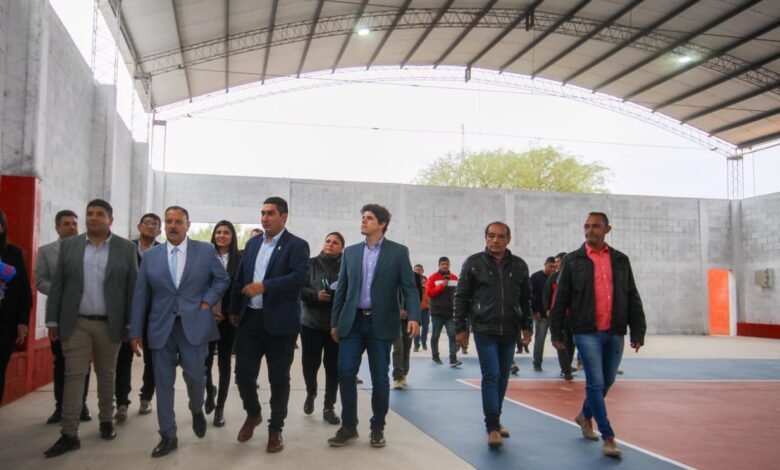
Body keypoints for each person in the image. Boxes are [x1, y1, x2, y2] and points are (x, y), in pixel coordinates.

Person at [129, 205, 230, 458]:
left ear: (188, 225)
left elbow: (222, 279)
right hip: (161, 327)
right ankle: (168, 435)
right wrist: (135, 330)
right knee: (163, 383)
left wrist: (207, 301)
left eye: (178, 221)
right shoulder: (152, 256)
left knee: (196, 377)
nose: (172, 226)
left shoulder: (204, 251)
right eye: (169, 221)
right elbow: (141, 294)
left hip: (194, 325)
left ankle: (196, 409)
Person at [44, 200, 137, 458]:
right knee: (74, 375)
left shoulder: (125, 248)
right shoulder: (70, 246)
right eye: (89, 213)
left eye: (99, 214)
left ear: (110, 219)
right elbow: (58, 285)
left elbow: (132, 288)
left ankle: (106, 420)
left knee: (106, 374)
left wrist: (131, 324)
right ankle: (69, 433)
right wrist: (52, 320)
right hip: (76, 323)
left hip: (110, 324)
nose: (93, 218)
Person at [550, 212, 646, 458]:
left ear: (607, 229)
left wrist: (638, 330)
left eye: (595, 226)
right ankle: (608, 436)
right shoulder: (572, 261)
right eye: (586, 226)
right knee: (595, 382)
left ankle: (585, 415)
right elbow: (561, 298)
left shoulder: (621, 260)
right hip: (586, 332)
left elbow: (631, 295)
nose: (589, 230)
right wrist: (556, 331)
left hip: (615, 331)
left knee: (608, 380)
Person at [327, 203, 420, 449]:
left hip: (381, 322)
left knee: (380, 377)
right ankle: (349, 426)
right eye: (363, 217)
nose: (363, 221)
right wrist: (335, 322)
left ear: (382, 224)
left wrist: (414, 316)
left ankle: (377, 427)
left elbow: (409, 287)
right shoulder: (351, 252)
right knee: (346, 373)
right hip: (352, 322)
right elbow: (342, 289)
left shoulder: (398, 252)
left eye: (369, 218)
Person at [230, 197, 309, 453]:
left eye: (270, 213)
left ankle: (276, 429)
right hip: (250, 320)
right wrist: (234, 309)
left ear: (283, 217)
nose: (264, 218)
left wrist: (265, 286)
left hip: (281, 324)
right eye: (262, 213)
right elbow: (241, 277)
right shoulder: (253, 244)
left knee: (279, 379)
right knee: (243, 375)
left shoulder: (297, 245)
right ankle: (253, 413)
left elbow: (298, 278)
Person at [454, 221, 532, 449]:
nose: (495, 240)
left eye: (500, 236)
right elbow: (461, 296)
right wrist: (460, 327)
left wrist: (527, 326)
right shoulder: (473, 263)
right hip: (484, 329)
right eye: (491, 235)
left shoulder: (519, 265)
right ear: (485, 238)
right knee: (492, 375)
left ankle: (496, 419)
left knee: (503, 377)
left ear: (508, 239)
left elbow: (525, 298)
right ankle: (492, 427)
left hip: (510, 330)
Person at [35, 210, 92, 424]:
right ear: (57, 228)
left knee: (83, 363)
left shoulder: (89, 250)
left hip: (85, 316)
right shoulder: (46, 252)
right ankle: (60, 407)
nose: (72, 227)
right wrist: (63, 291)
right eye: (66, 224)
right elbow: (40, 281)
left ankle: (81, 405)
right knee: (61, 363)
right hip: (58, 318)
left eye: (74, 224)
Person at [115, 213, 161, 420]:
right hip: (127, 312)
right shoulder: (125, 249)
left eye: (155, 225)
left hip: (154, 314)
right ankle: (122, 402)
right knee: (123, 359)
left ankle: (146, 398)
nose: (150, 227)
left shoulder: (163, 251)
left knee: (153, 360)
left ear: (159, 231)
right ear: (139, 226)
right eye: (147, 223)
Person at [300, 232, 344, 425]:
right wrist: (315, 295)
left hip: (336, 325)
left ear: (341, 247)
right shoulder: (309, 264)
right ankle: (311, 392)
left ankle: (329, 406)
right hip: (311, 323)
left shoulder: (346, 266)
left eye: (335, 242)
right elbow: (299, 288)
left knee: (333, 367)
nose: (330, 244)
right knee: (310, 364)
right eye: (328, 241)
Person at [204, 220, 241, 427]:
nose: (221, 235)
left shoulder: (240, 259)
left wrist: (226, 313)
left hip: (228, 319)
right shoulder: (205, 256)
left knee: (224, 363)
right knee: (205, 362)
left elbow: (239, 288)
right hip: (206, 316)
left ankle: (220, 408)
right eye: (218, 232)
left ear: (232, 236)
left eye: (226, 232)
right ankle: (210, 390)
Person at [0, 210, 32, 404]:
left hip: (5, 322)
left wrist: (22, 321)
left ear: (2, 227)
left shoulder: (13, 253)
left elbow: (23, 290)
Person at [544, 252, 577, 380]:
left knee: (571, 343)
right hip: (558, 316)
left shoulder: (574, 276)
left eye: (558, 261)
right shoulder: (553, 277)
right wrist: (547, 309)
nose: (556, 264)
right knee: (560, 341)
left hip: (572, 316)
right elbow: (547, 294)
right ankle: (566, 369)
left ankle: (567, 365)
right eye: (555, 261)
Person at [426, 257, 461, 367]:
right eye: (443, 264)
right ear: (439, 265)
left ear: (449, 265)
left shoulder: (454, 278)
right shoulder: (432, 278)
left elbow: (459, 294)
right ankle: (435, 356)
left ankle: (453, 359)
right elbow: (429, 293)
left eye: (447, 264)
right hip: (437, 313)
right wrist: (441, 286)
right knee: (435, 335)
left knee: (452, 335)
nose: (445, 266)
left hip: (450, 313)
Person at [391, 269, 423, 388]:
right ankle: (398, 376)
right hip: (394, 317)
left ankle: (404, 372)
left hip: (409, 318)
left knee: (406, 347)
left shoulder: (415, 277)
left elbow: (418, 297)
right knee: (398, 347)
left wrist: (409, 312)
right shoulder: (390, 273)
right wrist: (397, 310)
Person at [530, 256, 556, 372]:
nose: (552, 269)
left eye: (554, 267)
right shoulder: (535, 277)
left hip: (554, 314)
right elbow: (531, 295)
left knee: (560, 339)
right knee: (540, 339)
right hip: (541, 314)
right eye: (550, 266)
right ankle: (537, 363)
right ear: (545, 264)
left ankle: (566, 366)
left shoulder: (556, 277)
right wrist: (535, 311)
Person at [412, 264, 430, 352]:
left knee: (425, 328)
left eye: (419, 269)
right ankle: (416, 345)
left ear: (422, 271)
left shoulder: (427, 282)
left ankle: (424, 343)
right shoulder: (411, 281)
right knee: (416, 327)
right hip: (416, 308)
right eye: (416, 270)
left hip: (426, 308)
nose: (418, 271)